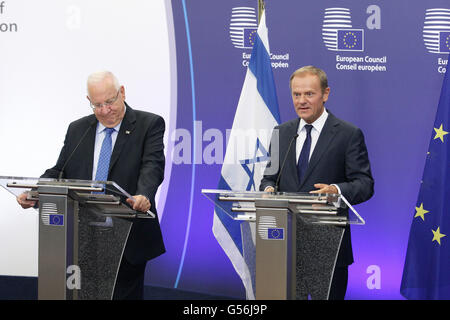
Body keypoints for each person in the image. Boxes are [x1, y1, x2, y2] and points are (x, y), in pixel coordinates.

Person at [16, 70, 166, 299]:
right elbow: (59, 171)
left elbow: (152, 167)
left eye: (109, 101)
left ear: (122, 92)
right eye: (97, 105)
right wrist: (37, 193)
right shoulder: (78, 128)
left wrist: (143, 195)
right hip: (82, 239)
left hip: (126, 239)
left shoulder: (149, 124)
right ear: (89, 102)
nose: (105, 111)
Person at [260, 66, 374, 299]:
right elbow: (269, 177)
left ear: (326, 94)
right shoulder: (281, 133)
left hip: (328, 247)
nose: (301, 101)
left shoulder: (348, 134)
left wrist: (337, 191)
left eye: (309, 94)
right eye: (296, 94)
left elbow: (364, 183)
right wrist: (268, 190)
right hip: (286, 246)